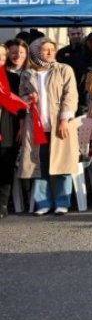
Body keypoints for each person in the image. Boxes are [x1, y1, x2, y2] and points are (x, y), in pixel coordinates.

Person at [16, 38, 80, 216]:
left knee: (62, 164)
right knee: (38, 164)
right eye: (45, 50)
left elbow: (71, 95)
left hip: (60, 125)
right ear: (36, 53)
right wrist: (29, 99)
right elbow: (21, 96)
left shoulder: (63, 70)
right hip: (36, 126)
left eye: (52, 49)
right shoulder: (27, 73)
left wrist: (64, 119)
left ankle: (62, 202)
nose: (50, 53)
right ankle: (43, 202)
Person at [1, 39, 29, 217]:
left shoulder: (12, 78)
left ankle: (2, 204)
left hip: (7, 127)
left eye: (3, 55)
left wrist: (21, 125)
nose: (1, 58)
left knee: (5, 166)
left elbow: (19, 106)